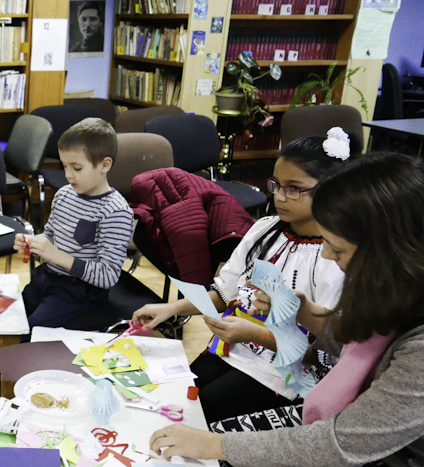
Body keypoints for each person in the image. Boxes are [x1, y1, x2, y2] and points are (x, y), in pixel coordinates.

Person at [150, 152, 424, 467]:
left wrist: (215, 442)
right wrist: (308, 313)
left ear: (388, 251)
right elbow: (351, 338)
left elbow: (341, 442)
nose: (332, 257)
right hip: (350, 431)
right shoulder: (272, 235)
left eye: (339, 249)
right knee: (192, 448)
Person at [133, 130, 356, 423]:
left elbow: (323, 356)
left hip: (282, 374)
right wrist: (171, 309)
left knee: (200, 418)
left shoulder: (337, 258)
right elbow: (226, 294)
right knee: (174, 404)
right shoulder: (265, 229)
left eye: (294, 188)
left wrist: (257, 335)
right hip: (233, 349)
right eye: (276, 185)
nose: (279, 196)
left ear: (332, 189)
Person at [14, 118, 132, 341]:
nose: (68, 175)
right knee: (10, 321)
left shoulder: (115, 212)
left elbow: (107, 276)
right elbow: (51, 234)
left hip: (79, 292)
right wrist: (34, 242)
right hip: (47, 277)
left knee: (28, 335)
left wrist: (56, 256)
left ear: (105, 165)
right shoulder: (64, 194)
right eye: (64, 166)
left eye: (76, 168)